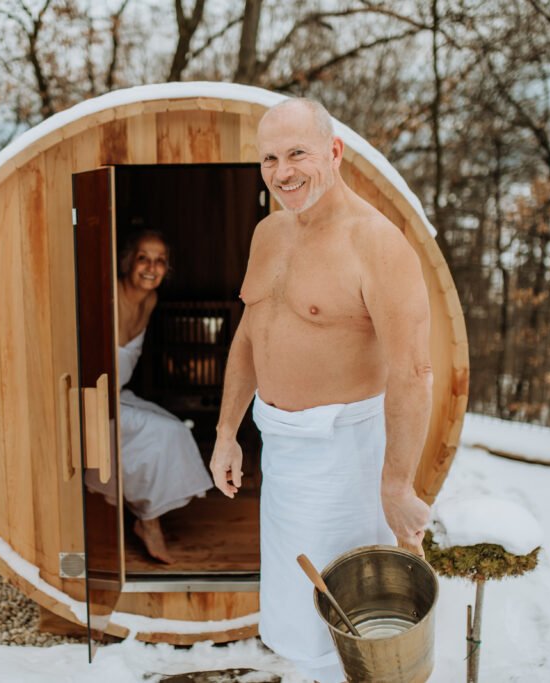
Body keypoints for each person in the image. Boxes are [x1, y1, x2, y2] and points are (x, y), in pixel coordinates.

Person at [209, 98, 433, 682]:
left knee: (352, 620)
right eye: (269, 159)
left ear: (334, 152)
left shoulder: (376, 244)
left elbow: (413, 373)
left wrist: (398, 483)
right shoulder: (268, 233)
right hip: (282, 451)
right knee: (298, 611)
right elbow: (249, 336)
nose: (283, 172)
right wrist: (227, 431)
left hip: (347, 458)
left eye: (298, 153)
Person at [98, 230, 214, 564]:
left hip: (117, 395)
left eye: (160, 260)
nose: (152, 267)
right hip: (93, 402)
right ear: (127, 261)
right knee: (161, 434)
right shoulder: (109, 294)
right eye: (143, 258)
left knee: (174, 428)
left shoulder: (150, 300)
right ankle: (149, 523)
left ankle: (147, 517)